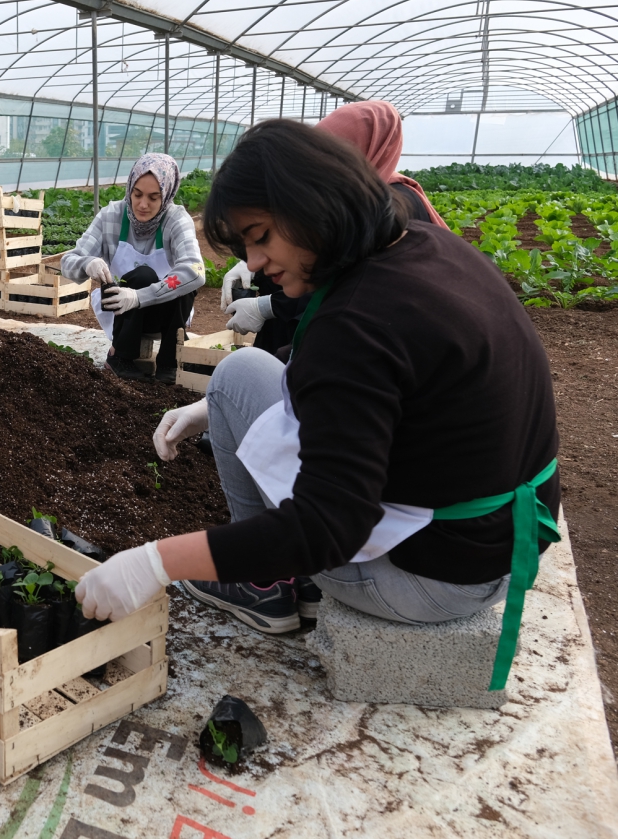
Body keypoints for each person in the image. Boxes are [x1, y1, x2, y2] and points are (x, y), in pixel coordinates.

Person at [78, 120, 558, 692]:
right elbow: (363, 398)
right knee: (238, 374)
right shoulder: (419, 246)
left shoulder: (357, 321)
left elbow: (326, 527)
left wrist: (154, 563)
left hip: (439, 576)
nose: (253, 264)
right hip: (493, 530)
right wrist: (214, 408)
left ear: (311, 206)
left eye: (260, 237)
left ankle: (267, 579)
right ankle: (271, 587)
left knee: (292, 522)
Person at [221, 101, 446, 355]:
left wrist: (268, 306)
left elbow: (343, 280)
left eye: (335, 156)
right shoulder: (342, 206)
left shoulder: (394, 209)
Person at [60, 153, 206, 383]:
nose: (143, 204)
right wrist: (86, 263)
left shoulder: (176, 219)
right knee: (142, 275)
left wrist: (139, 296)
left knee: (181, 284)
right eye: (137, 194)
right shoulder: (111, 216)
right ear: (129, 188)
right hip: (122, 315)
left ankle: (170, 363)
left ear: (166, 196)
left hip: (166, 316)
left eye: (153, 197)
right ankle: (120, 358)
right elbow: (67, 261)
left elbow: (195, 270)